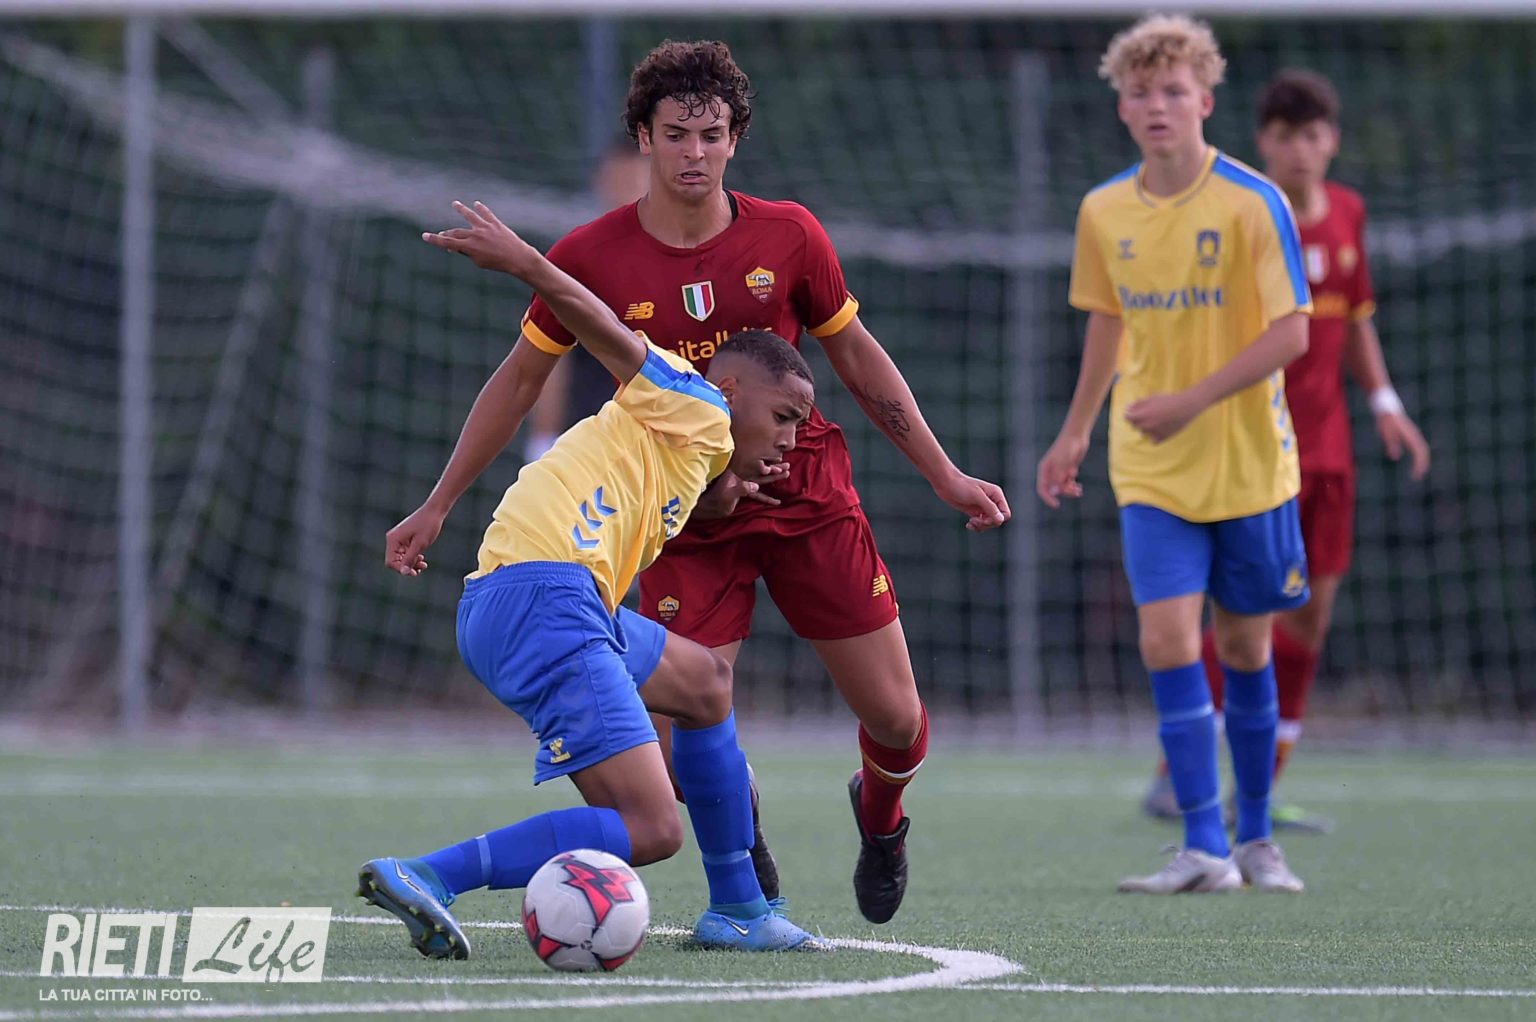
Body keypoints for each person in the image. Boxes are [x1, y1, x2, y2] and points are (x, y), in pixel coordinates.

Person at [386, 40, 1010, 925]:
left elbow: (857, 356)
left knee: (898, 720)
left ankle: (880, 818)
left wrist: (943, 472)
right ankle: (742, 876)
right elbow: (520, 379)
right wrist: (440, 501)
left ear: (735, 139)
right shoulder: (592, 255)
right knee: (683, 741)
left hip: (805, 498)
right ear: (642, 137)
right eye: (676, 134)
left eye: (712, 135)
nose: (695, 153)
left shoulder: (789, 235)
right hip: (686, 517)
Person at [361, 200, 826, 956]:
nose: (792, 439)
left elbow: (673, 487)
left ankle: (740, 909)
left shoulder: (695, 445)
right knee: (653, 828)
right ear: (735, 390)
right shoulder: (696, 401)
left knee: (706, 684)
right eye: (784, 416)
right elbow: (601, 327)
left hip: (548, 601)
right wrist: (529, 264)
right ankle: (429, 874)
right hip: (548, 599)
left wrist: (723, 493)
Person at [1036, 14, 1312, 894]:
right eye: (1140, 92)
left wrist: (1192, 401)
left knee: (1244, 648)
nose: (1157, 105)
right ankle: (1202, 845)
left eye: (1173, 90)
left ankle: (1257, 836)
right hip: (1149, 465)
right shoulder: (1103, 210)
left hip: (1248, 465)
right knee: (1164, 640)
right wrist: (1076, 430)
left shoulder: (1252, 202)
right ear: (1122, 107)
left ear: (1205, 100)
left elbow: (1294, 333)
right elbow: (1106, 322)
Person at [1140, 69, 1431, 834]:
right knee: (1244, 617)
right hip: (1253, 453)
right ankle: (1178, 770)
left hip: (1327, 458)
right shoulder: (1245, 218)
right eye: (1283, 136)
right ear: (1262, 143)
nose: (1298, 150)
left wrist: (1385, 402)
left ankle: (1259, 792)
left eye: (1311, 135)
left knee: (1307, 623)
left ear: (1332, 141)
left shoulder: (1349, 213)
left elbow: (1355, 317)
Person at [524, 139, 653, 458]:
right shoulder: (575, 264)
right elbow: (550, 357)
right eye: (616, 182)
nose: (623, 193)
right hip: (590, 445)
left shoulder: (687, 260)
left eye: (633, 182)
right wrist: (542, 440)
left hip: (665, 445)